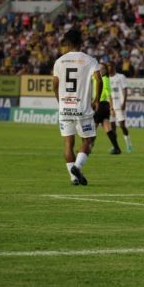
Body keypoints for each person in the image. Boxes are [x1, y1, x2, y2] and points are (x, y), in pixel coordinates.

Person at [52, 28, 102, 185]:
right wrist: (96, 99)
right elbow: (99, 80)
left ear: (67, 42)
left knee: (68, 143)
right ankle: (78, 167)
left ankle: (73, 177)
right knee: (89, 141)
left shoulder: (59, 61)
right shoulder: (89, 60)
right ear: (81, 42)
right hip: (82, 108)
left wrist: (60, 101)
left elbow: (54, 84)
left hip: (65, 108)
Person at [93, 62, 122, 154]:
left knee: (92, 127)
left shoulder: (104, 79)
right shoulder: (98, 78)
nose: (100, 70)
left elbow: (109, 95)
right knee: (107, 128)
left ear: (105, 71)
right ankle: (117, 148)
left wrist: (112, 108)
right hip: (104, 106)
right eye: (99, 68)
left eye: (102, 69)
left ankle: (87, 147)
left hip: (101, 105)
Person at [107, 61, 132, 152]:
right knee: (112, 128)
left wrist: (124, 103)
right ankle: (115, 146)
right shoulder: (106, 79)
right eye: (107, 66)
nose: (108, 68)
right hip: (111, 106)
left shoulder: (121, 77)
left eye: (110, 66)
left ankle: (128, 143)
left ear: (113, 66)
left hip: (120, 105)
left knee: (122, 125)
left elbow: (125, 90)